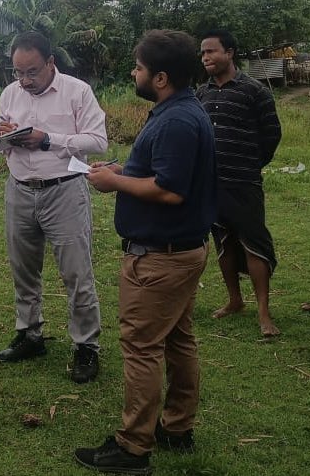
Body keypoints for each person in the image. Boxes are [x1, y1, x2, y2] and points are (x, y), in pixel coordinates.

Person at [75, 30, 216, 474]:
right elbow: (160, 172)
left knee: (141, 346)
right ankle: (176, 425)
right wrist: (123, 170)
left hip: (159, 256)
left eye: (137, 67)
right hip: (181, 251)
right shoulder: (179, 110)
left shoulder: (176, 121)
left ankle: (133, 447)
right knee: (177, 338)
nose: (132, 73)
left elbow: (169, 190)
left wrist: (115, 182)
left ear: (159, 77)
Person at [0, 31, 107, 383]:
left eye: (33, 72)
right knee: (23, 269)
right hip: (20, 190)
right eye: (18, 73)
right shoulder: (11, 93)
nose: (25, 80)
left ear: (51, 63)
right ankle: (30, 334)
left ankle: (86, 345)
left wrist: (47, 139)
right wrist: (4, 136)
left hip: (64, 190)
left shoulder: (77, 91)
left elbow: (97, 141)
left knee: (76, 272)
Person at [196, 29, 282, 337]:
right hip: (212, 185)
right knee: (224, 244)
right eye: (202, 52)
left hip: (244, 183)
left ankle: (264, 313)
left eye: (211, 51)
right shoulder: (201, 93)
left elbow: (271, 134)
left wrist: (250, 163)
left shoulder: (254, 90)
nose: (206, 57)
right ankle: (235, 300)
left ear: (230, 53)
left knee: (255, 245)